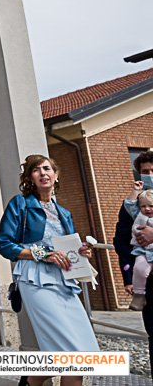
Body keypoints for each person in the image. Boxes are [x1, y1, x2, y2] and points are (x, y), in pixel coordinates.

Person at [0, 154, 98, 386]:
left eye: (47, 168)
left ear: (56, 175)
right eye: (36, 170)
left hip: (64, 281)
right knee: (70, 354)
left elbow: (66, 246)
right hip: (34, 278)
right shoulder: (20, 204)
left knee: (81, 351)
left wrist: (81, 252)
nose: (42, 173)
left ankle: (30, 381)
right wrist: (44, 254)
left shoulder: (64, 213)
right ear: (29, 177)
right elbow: (4, 244)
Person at [114, 149, 153, 359]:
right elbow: (120, 241)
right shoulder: (134, 205)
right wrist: (129, 277)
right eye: (145, 172)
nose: (150, 175)